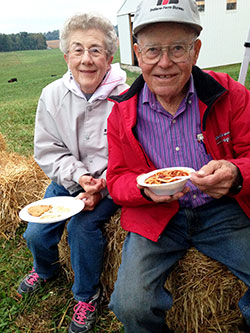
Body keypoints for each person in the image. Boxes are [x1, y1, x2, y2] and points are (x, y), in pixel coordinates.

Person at [106, 0, 250, 332]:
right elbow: (116, 180)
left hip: (221, 210)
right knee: (130, 304)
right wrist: (143, 188)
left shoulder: (230, 95)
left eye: (178, 49)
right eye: (153, 50)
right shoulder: (122, 113)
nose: (165, 63)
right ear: (138, 53)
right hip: (158, 217)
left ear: (196, 51)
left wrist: (237, 174)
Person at [17, 12, 128, 333]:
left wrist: (101, 184)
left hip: (111, 182)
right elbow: (48, 148)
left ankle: (86, 295)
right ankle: (46, 268)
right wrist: (78, 177)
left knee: (83, 228)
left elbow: (135, 151)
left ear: (109, 57)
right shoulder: (52, 95)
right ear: (66, 56)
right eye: (77, 50)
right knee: (36, 233)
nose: (86, 59)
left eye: (95, 50)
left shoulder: (127, 96)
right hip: (68, 179)